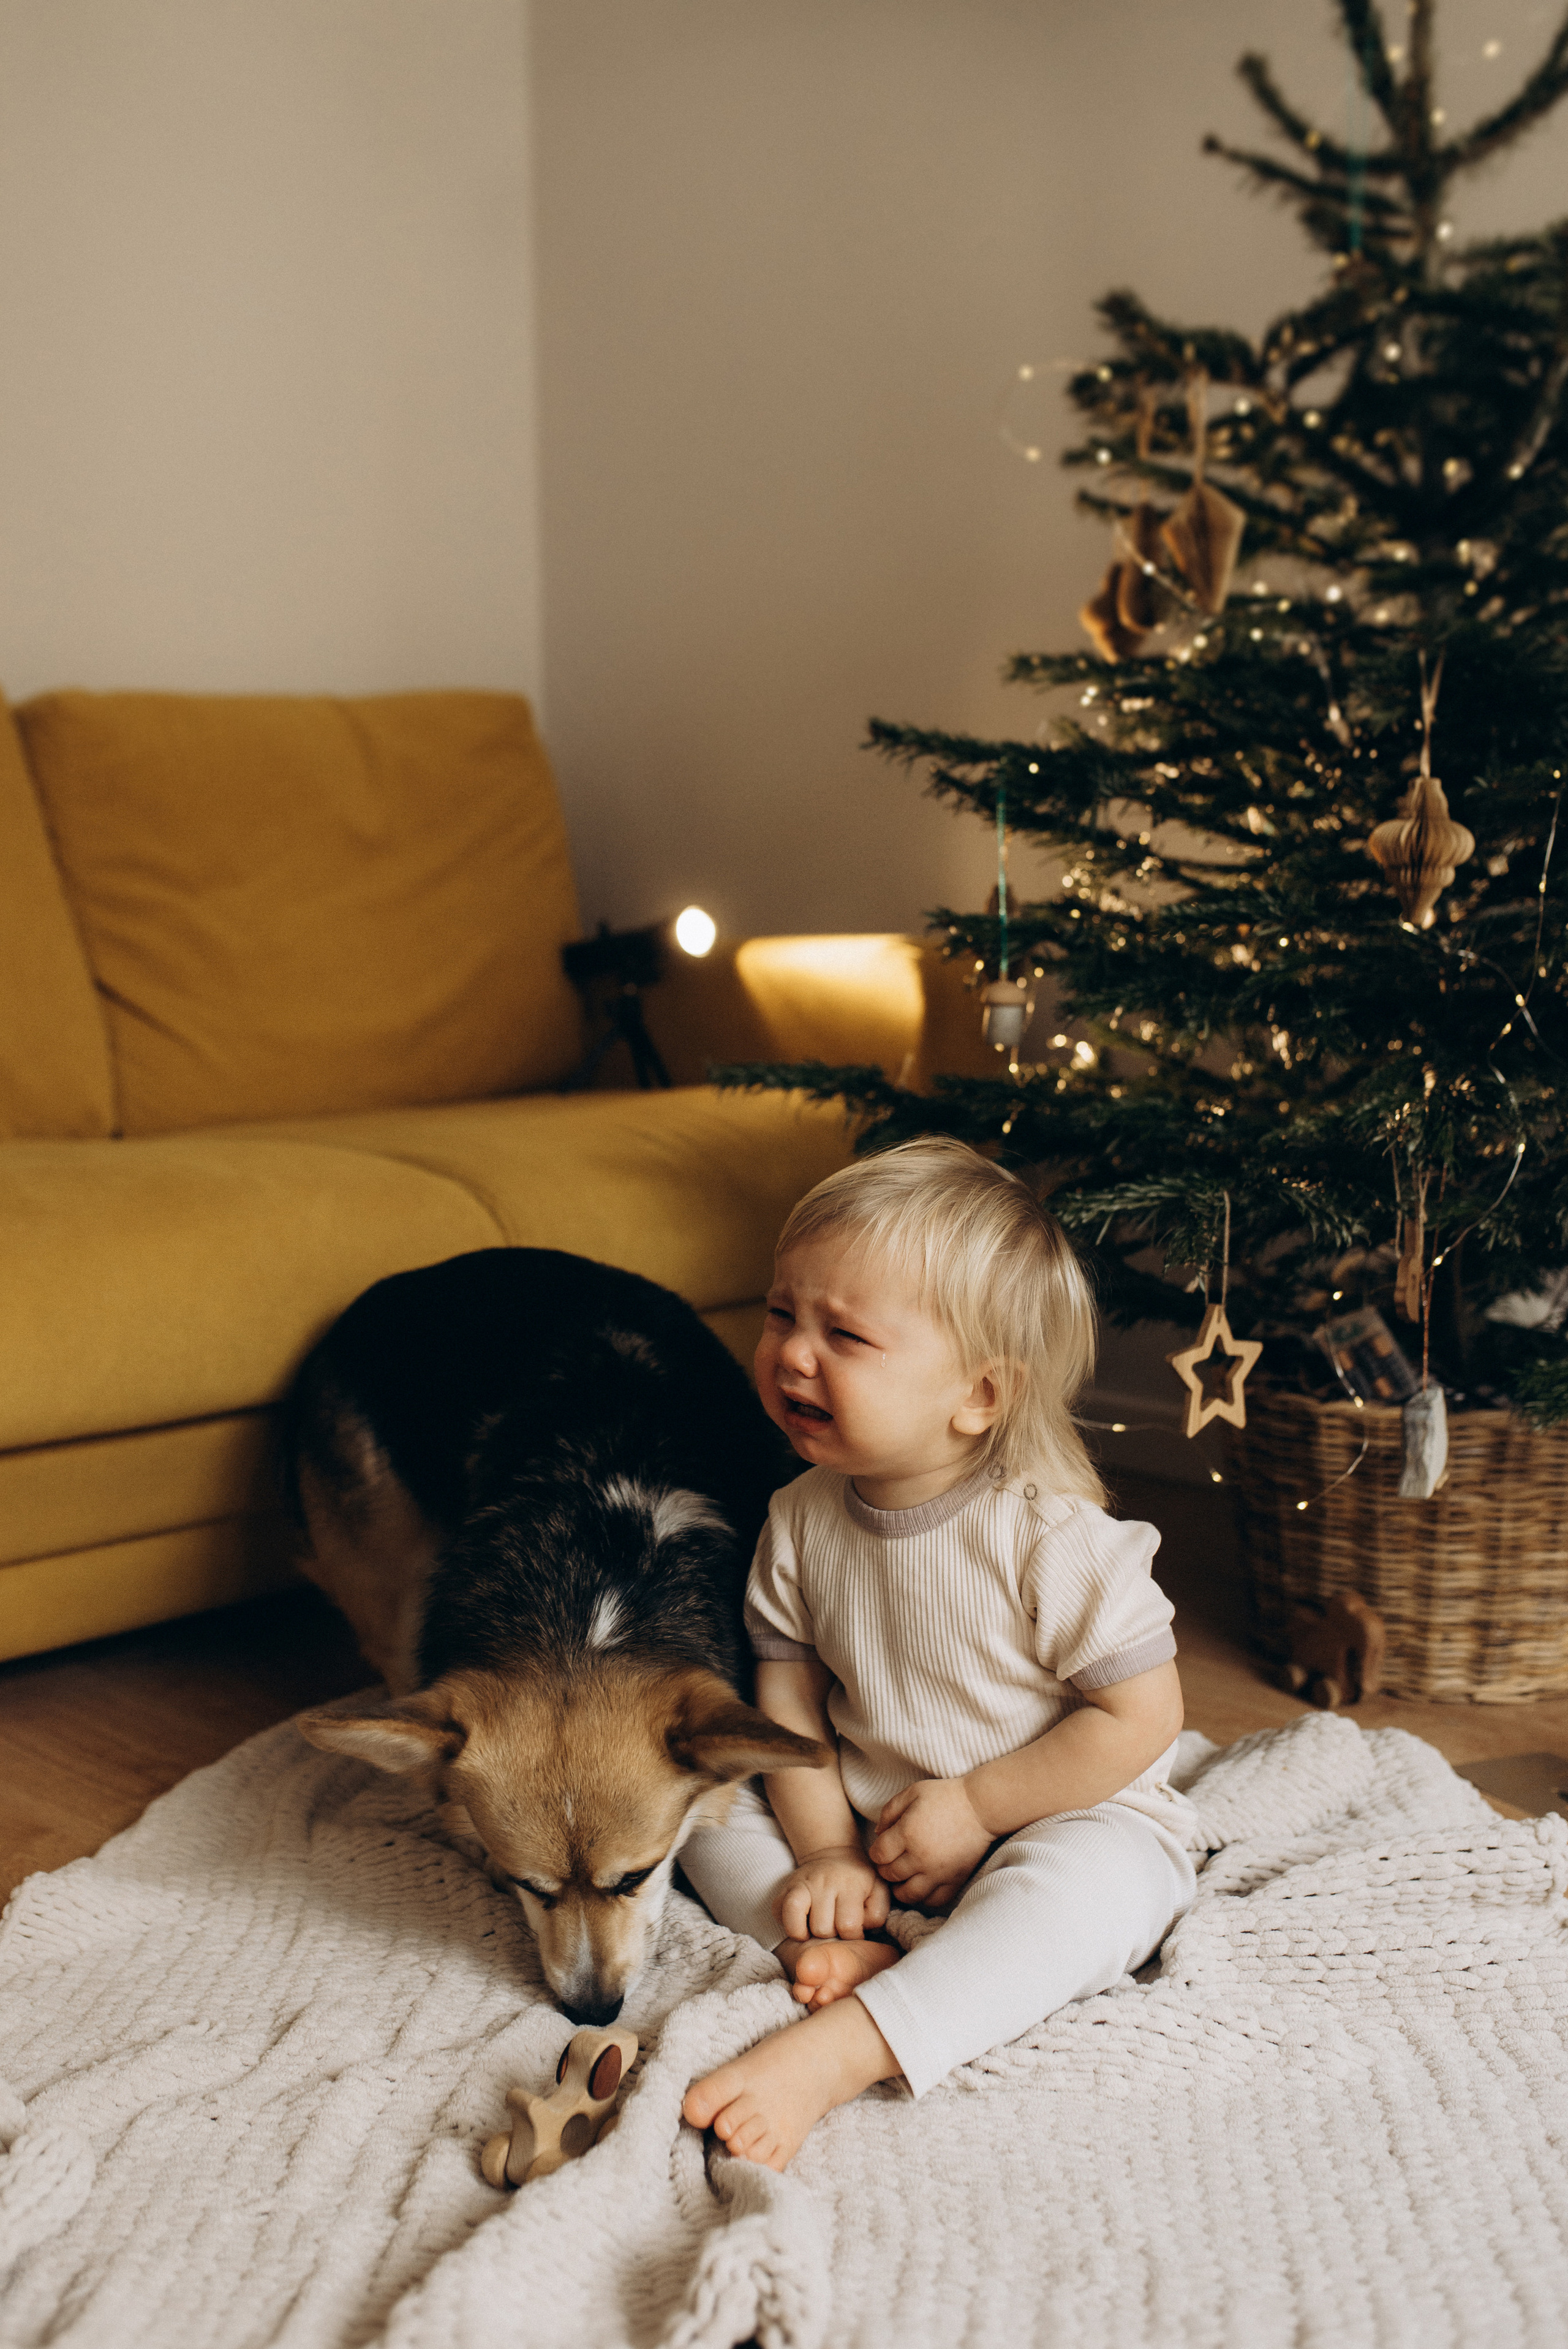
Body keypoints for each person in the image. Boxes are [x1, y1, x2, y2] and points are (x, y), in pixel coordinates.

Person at [679, 1137, 1199, 2170]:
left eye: (847, 1335)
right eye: (783, 1313)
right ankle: (831, 1939)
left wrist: (980, 1807)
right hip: (873, 1826)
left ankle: (851, 2042)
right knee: (706, 1795)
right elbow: (792, 1693)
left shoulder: (1047, 1536)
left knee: (1102, 1891)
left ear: (979, 1396)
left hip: (1054, 1811)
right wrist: (826, 1850)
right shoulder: (800, 1516)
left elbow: (1144, 1718)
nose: (792, 1353)